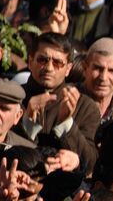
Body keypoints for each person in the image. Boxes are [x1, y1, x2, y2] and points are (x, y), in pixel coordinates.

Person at [16, 33, 100, 173]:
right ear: (30, 62)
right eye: (42, 60)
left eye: (57, 63)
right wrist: (27, 123)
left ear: (68, 69)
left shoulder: (85, 106)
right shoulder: (14, 98)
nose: (49, 68)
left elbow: (90, 163)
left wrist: (67, 124)